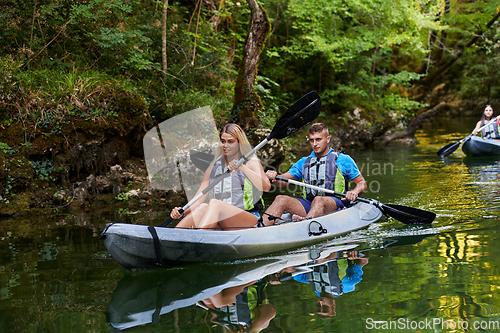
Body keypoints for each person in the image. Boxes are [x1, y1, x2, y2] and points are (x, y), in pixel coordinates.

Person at [171, 123, 271, 230]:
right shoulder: (213, 167)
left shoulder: (250, 163)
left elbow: (266, 187)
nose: (225, 145)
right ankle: (174, 237)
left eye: (230, 142)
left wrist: (242, 167)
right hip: (221, 219)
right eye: (223, 141)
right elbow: (199, 199)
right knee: (203, 207)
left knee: (214, 203)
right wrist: (181, 211)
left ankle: (199, 238)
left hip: (249, 219)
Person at [262, 123, 366, 225]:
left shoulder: (343, 159)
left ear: (328, 139)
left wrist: (354, 192)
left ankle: (304, 226)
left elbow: (362, 183)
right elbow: (283, 181)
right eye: (312, 140)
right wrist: (273, 178)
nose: (314, 144)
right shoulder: (304, 162)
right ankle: (258, 228)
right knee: (281, 199)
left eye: (318, 139)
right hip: (310, 205)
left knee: (318, 200)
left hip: (336, 204)